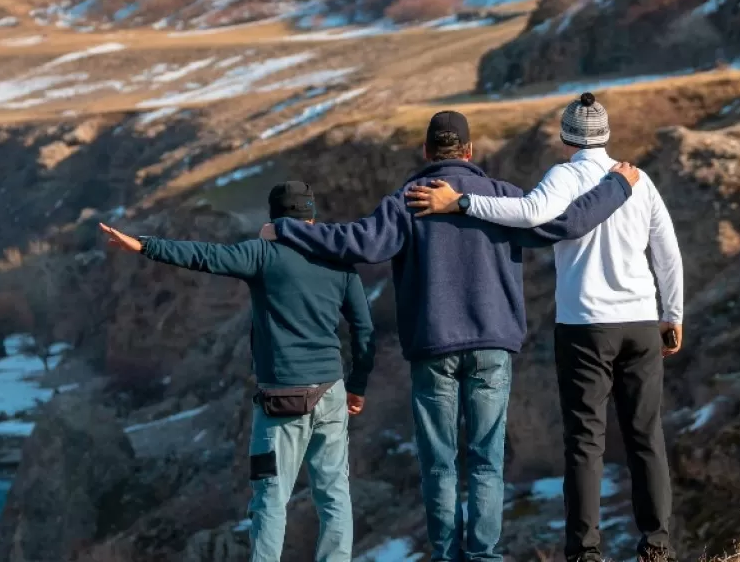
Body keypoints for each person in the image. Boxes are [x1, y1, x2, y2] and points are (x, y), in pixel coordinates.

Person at [261, 111, 641, 562]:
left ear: (426, 152)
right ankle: (483, 556)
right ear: (469, 151)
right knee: (486, 460)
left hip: (433, 346)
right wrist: (618, 187)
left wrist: (285, 229)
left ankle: (444, 555)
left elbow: (357, 243)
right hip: (492, 345)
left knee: (439, 463)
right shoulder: (501, 197)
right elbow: (563, 224)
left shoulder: (408, 199)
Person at [405, 93, 683, 562]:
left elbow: (531, 213)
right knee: (646, 436)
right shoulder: (641, 180)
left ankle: (585, 552)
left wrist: (462, 203)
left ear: (565, 135)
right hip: (639, 321)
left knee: (585, 441)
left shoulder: (565, 175)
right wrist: (672, 314)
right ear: (607, 134)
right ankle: (657, 545)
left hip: (585, 326)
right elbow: (668, 253)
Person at [99, 181, 374, 562]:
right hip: (331, 393)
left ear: (274, 218)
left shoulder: (263, 254)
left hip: (281, 400)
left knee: (270, 498)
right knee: (333, 494)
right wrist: (357, 385)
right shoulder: (339, 261)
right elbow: (363, 328)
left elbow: (205, 256)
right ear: (311, 216)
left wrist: (145, 244)